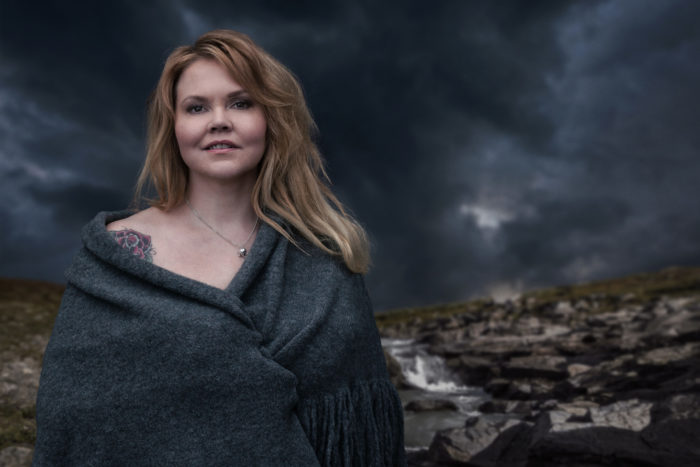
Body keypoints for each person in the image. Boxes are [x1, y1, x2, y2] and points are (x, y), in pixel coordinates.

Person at [33, 30, 406, 466]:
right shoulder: (115, 255)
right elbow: (70, 417)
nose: (218, 120)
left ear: (272, 119)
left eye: (241, 103)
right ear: (173, 129)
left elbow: (360, 435)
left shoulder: (325, 259)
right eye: (196, 107)